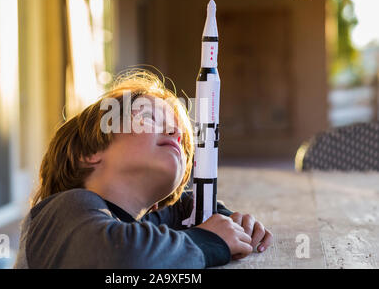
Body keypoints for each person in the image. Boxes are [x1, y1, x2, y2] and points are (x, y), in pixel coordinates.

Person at [14, 70, 273, 268]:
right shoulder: (62, 211)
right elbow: (121, 255)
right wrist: (210, 240)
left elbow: (183, 207)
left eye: (179, 136)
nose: (175, 133)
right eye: (148, 118)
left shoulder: (139, 218)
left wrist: (226, 220)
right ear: (88, 153)